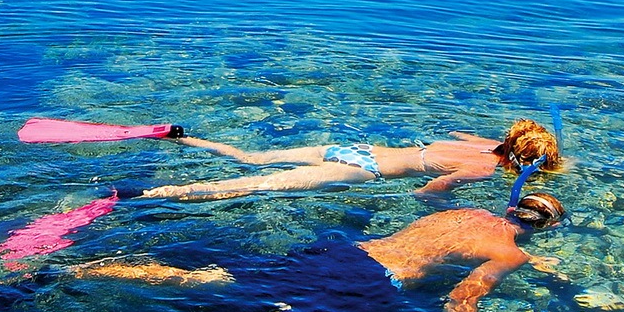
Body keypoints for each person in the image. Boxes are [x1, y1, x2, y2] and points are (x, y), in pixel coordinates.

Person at [74, 193, 566, 312]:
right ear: (543, 229)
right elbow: (463, 298)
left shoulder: (459, 213)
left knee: (209, 276)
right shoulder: (509, 253)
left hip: (343, 253)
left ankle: (83, 270)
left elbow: (434, 215)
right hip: (370, 284)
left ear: (513, 207)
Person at [137, 118, 561, 202]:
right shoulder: (483, 169)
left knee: (251, 160)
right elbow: (428, 191)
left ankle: (183, 138)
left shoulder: (483, 146)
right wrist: (438, 203)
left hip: (357, 148)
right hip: (363, 170)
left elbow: (456, 134)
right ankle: (149, 195)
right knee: (251, 187)